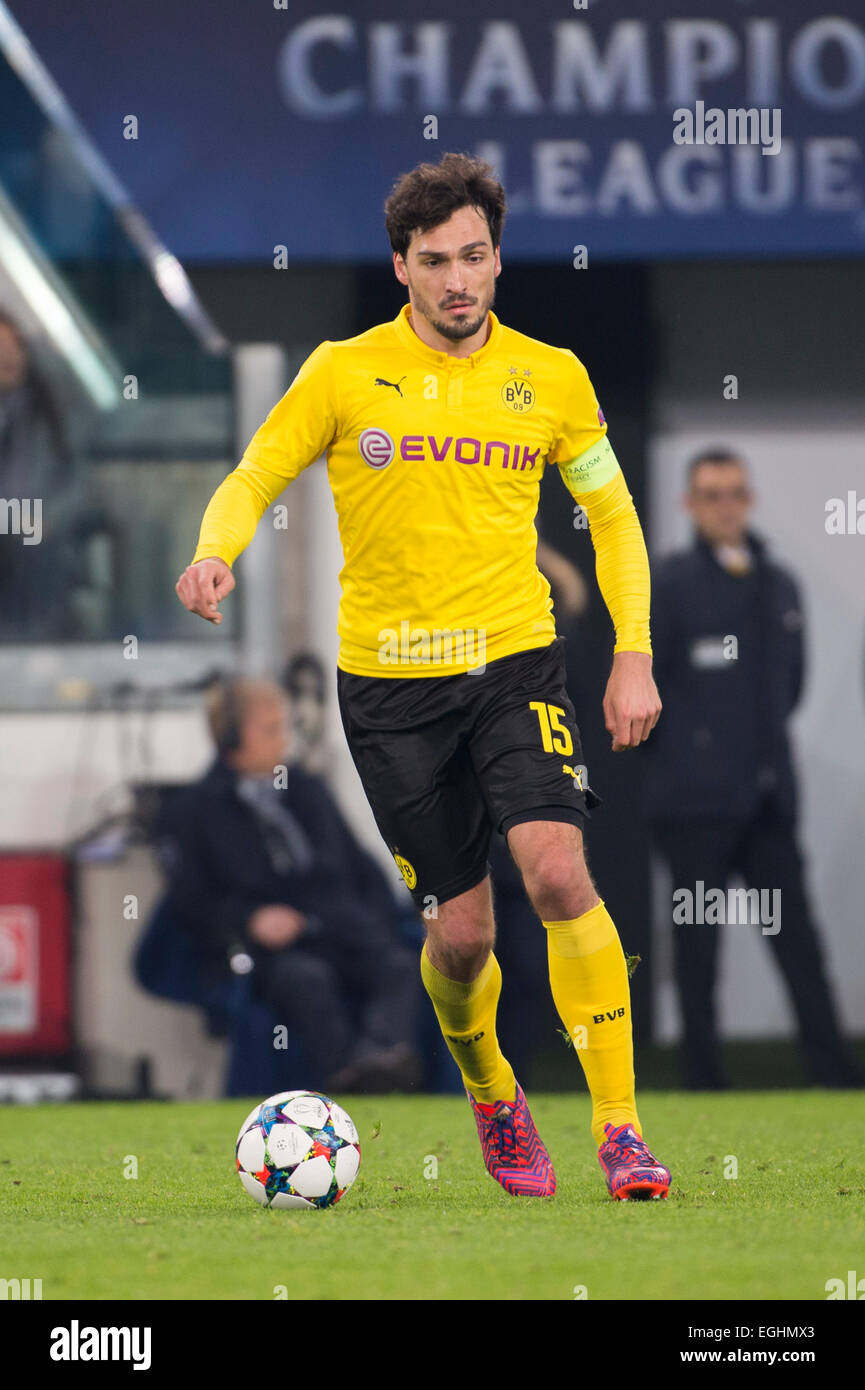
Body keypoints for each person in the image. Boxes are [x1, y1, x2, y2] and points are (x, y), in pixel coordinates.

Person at [176, 152, 670, 1201]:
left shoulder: (554, 376)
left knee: (556, 871)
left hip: (513, 662)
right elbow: (259, 470)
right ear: (401, 264)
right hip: (390, 688)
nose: (458, 280)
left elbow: (614, 516)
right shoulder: (342, 371)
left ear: (497, 258)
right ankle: (490, 1082)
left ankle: (620, 1130)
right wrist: (220, 547)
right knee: (463, 933)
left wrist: (632, 648)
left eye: (476, 257)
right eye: (435, 260)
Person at [644, 448, 864, 1090]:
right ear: (690, 504)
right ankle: (702, 1082)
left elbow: (789, 683)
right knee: (697, 948)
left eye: (735, 492)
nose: (725, 505)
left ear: (750, 499)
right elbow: (650, 688)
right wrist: (698, 755)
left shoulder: (778, 582)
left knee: (799, 943)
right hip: (694, 805)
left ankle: (834, 1074)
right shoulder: (672, 585)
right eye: (711, 494)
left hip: (768, 798)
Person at [157, 676, 421, 1093]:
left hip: (337, 928)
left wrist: (372, 919)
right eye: (270, 730)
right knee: (307, 980)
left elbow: (356, 866)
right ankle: (346, 1080)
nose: (284, 741)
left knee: (400, 965)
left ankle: (379, 1059)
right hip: (272, 951)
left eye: (284, 727)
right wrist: (251, 919)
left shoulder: (308, 789)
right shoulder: (193, 811)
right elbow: (192, 902)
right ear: (230, 737)